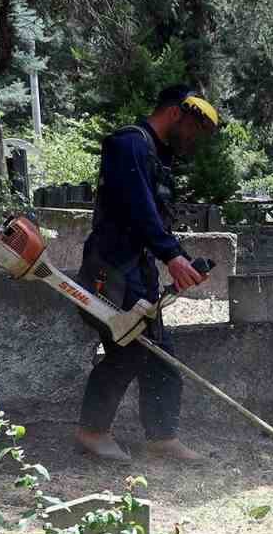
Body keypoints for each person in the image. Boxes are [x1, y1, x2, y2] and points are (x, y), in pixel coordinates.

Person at [74, 85, 221, 462]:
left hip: (136, 271)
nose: (194, 141)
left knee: (159, 355)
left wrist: (181, 258)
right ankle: (92, 432)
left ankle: (161, 438)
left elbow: (154, 221)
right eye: (194, 130)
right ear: (176, 113)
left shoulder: (154, 156)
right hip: (111, 269)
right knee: (128, 351)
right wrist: (171, 256)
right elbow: (138, 210)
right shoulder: (129, 145)